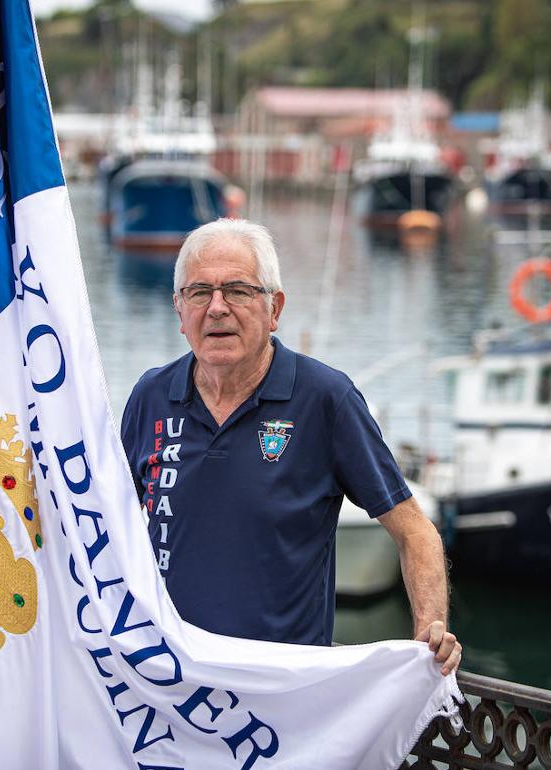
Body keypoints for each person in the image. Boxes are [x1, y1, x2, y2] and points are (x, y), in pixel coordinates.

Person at [120, 218, 460, 674]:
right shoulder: (150, 396)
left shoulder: (325, 399)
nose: (217, 308)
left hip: (283, 697)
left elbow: (414, 529)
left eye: (238, 291)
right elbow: (107, 526)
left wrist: (430, 630)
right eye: (199, 293)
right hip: (168, 681)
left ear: (274, 308)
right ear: (179, 311)